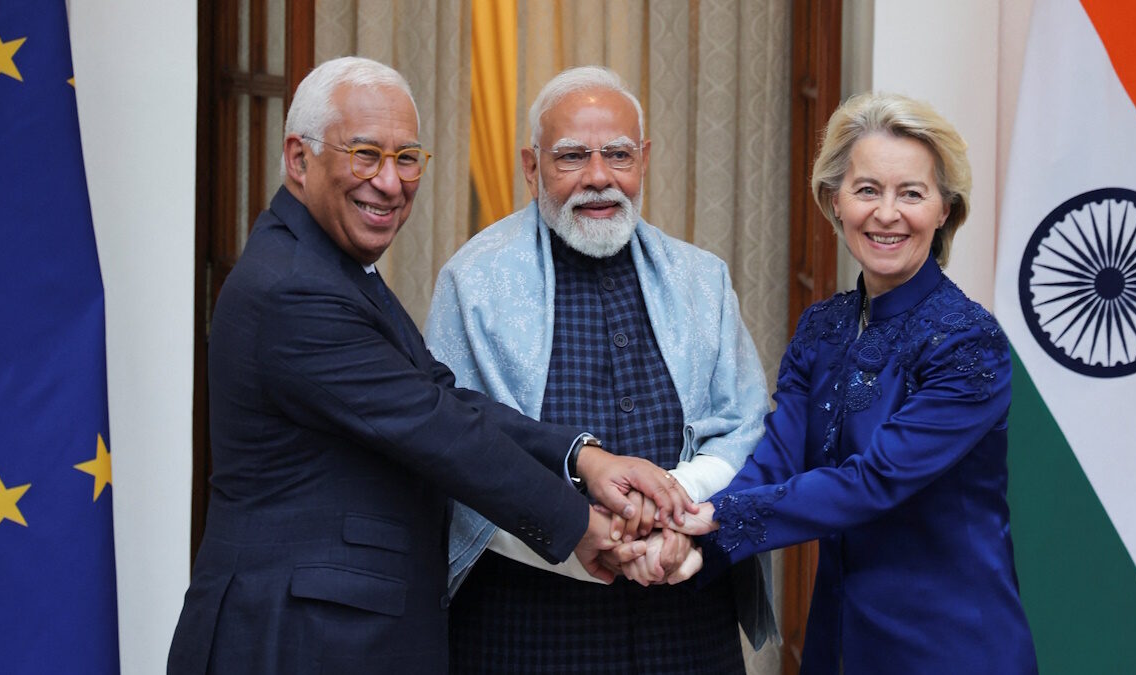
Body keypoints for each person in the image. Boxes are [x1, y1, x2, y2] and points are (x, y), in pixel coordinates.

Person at [166, 56, 692, 675]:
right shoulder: (294, 289)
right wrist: (579, 524)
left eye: (407, 157)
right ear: (298, 158)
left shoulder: (329, 264)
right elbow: (437, 430)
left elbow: (442, 396)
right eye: (365, 154)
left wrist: (584, 457)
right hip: (295, 638)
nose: (390, 182)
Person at [425, 66, 777, 674]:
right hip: (526, 622)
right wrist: (587, 534)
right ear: (531, 168)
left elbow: (744, 426)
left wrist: (676, 512)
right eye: (571, 158)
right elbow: (455, 448)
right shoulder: (474, 281)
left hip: (684, 615)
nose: (598, 178)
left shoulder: (702, 279)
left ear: (643, 159)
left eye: (617, 155)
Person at [672, 92, 1038, 674]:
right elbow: (778, 459)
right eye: (867, 189)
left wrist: (713, 523)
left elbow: (874, 481)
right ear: (834, 202)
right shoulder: (823, 328)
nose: (886, 214)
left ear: (944, 209)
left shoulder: (970, 341)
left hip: (953, 646)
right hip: (839, 640)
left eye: (911, 193)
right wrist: (686, 524)